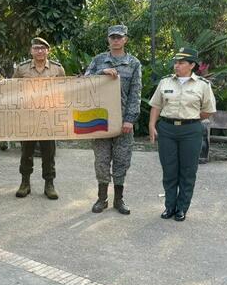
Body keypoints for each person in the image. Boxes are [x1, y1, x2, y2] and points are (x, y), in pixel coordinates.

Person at [148, 47, 216, 222]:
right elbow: (156, 105)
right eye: (176, 62)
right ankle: (169, 206)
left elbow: (208, 111)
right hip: (167, 129)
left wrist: (189, 119)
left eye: (181, 62)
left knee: (188, 171)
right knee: (169, 170)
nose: (176, 65)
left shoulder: (202, 85)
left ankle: (182, 208)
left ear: (192, 65)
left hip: (191, 131)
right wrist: (151, 124)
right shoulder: (165, 83)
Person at [84, 25, 141, 215]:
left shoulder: (133, 63)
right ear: (108, 40)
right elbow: (84, 82)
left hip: (123, 120)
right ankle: (102, 198)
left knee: (122, 159)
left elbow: (136, 93)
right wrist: (102, 73)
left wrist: (130, 119)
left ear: (125, 39)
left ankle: (119, 199)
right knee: (101, 160)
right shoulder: (99, 60)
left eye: (119, 37)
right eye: (112, 37)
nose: (116, 40)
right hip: (100, 119)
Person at [12, 37, 65, 200]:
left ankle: (49, 184)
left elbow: (65, 91)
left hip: (48, 118)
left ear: (48, 50)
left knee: (48, 153)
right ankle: (25, 183)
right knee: (26, 152)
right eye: (36, 48)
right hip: (28, 118)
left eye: (43, 48)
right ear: (31, 51)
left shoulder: (57, 69)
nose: (40, 51)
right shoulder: (22, 69)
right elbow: (12, 89)